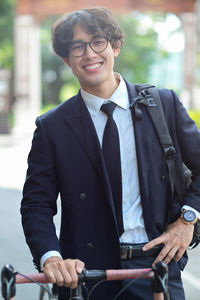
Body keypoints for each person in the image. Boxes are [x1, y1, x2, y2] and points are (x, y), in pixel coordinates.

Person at [21, 7, 200, 300]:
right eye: (77, 47)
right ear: (67, 59)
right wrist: (52, 258)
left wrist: (187, 220)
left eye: (97, 42)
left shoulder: (162, 105)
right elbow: (36, 205)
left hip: (157, 266)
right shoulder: (52, 127)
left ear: (115, 46)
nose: (89, 54)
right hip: (84, 276)